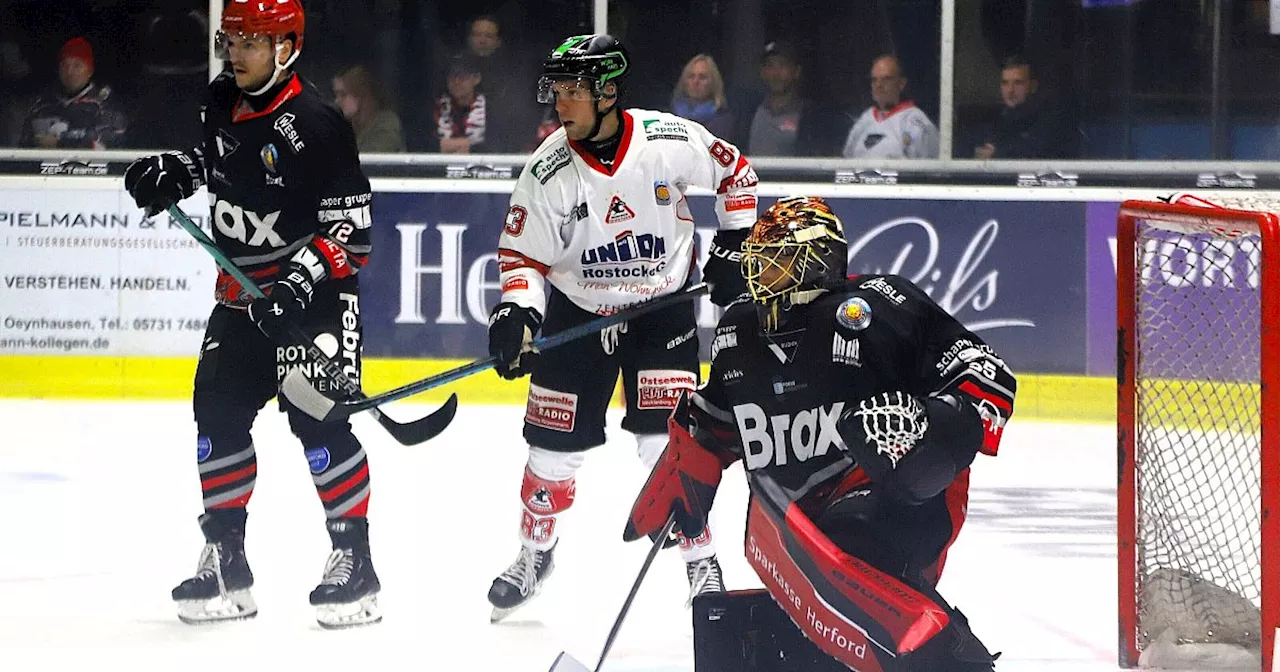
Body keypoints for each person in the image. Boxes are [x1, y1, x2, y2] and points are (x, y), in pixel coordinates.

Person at [625, 197, 1015, 670]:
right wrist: (686, 472)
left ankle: (950, 656)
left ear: (819, 260)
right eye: (759, 259)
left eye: (778, 259)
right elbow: (715, 422)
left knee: (852, 538)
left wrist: (936, 423)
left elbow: (987, 374)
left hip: (896, 493)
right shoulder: (738, 331)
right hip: (795, 530)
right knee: (809, 630)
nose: (760, 271)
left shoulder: (880, 305)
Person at [121, 0, 381, 629]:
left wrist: (297, 281)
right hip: (240, 301)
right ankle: (226, 559)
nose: (234, 53)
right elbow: (215, 163)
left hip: (308, 300)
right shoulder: (219, 99)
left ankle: (356, 563)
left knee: (318, 424)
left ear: (286, 47)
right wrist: (173, 174)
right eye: (230, 40)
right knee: (217, 411)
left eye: (250, 42)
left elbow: (355, 232)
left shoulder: (316, 123)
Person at [485, 33, 760, 622]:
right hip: (577, 314)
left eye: (572, 91)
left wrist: (736, 244)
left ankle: (699, 559)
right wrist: (517, 311)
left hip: (661, 313)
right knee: (551, 454)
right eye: (555, 91)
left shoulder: (667, 141)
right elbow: (522, 258)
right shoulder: (548, 169)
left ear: (607, 92)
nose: (560, 104)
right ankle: (536, 554)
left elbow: (737, 176)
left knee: (667, 445)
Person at [19, 36, 126, 149]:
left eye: (77, 65)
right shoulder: (41, 105)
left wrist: (60, 143)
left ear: (89, 71)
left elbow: (110, 140)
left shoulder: (105, 104)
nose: (69, 72)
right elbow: (24, 146)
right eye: (65, 65)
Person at [842, 55, 938, 159]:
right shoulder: (865, 119)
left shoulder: (915, 121)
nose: (879, 85)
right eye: (874, 80)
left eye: (886, 79)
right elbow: (847, 161)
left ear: (901, 83)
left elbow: (929, 170)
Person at [333, 65, 404, 153]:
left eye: (343, 95)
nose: (337, 101)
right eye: (336, 95)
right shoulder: (345, 127)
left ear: (362, 95)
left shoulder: (387, 127)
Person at [670, 54, 733, 140]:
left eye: (702, 77)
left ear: (713, 83)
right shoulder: (670, 116)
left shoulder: (722, 120)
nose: (696, 82)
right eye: (691, 76)